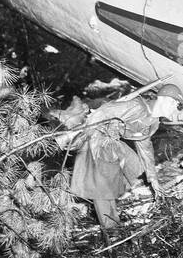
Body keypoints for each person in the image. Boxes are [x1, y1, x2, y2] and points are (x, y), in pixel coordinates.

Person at [68, 93, 160, 229]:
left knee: (136, 169)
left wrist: (153, 178)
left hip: (113, 142)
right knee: (101, 189)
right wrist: (89, 139)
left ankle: (133, 203)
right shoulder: (136, 106)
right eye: (175, 105)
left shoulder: (151, 118)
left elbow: (145, 147)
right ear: (165, 100)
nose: (175, 109)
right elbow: (102, 113)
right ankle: (111, 229)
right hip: (97, 141)